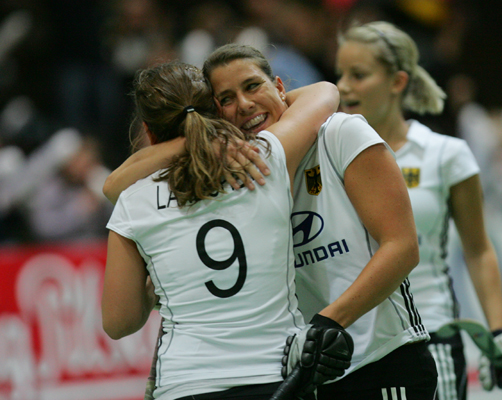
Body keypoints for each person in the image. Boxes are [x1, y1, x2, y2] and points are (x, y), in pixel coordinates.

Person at [104, 43, 438, 400]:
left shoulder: (338, 134)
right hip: (304, 373)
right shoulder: (240, 169)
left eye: (253, 86)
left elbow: (402, 247)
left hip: (377, 359)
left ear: (280, 87)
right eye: (226, 99)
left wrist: (329, 322)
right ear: (213, 115)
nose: (245, 104)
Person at [101, 61, 351, 400]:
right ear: (215, 112)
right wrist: (205, 136)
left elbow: (119, 323)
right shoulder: (263, 158)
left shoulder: (133, 199)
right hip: (275, 379)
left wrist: (154, 288)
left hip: (185, 384)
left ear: (148, 130)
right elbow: (326, 92)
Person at [335, 21, 502, 399]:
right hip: (350, 347)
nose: (343, 86)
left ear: (397, 82)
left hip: (429, 339)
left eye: (358, 75)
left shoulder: (446, 154)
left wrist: (498, 332)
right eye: (340, 74)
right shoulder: (328, 158)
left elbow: (478, 250)